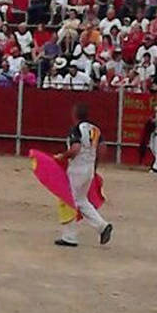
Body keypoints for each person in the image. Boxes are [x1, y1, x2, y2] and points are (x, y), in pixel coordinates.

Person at [55, 104, 113, 248]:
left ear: (74, 114)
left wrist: (62, 156)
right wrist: (94, 166)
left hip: (77, 168)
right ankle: (102, 226)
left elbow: (75, 149)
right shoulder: (95, 129)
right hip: (88, 168)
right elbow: (102, 149)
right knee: (81, 200)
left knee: (69, 200)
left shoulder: (76, 129)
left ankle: (69, 237)